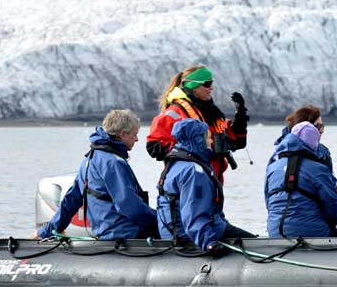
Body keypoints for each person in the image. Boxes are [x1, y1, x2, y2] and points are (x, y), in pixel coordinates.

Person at [32, 110, 157, 240]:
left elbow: (71, 201)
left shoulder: (89, 159)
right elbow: (131, 208)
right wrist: (162, 220)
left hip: (105, 232)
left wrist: (44, 232)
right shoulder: (113, 163)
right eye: (134, 134)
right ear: (123, 134)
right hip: (125, 233)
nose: (137, 139)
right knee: (167, 229)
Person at [156, 119, 255, 253]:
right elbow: (193, 213)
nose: (211, 141)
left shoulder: (176, 162)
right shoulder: (194, 171)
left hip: (173, 231)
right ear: (198, 139)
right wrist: (209, 243)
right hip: (187, 234)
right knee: (255, 243)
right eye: (208, 137)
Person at [146, 65, 248, 183]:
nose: (211, 88)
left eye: (211, 83)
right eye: (207, 84)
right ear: (193, 86)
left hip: (212, 182)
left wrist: (240, 115)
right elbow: (154, 147)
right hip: (189, 182)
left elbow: (237, 142)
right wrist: (193, 150)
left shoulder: (211, 113)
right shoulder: (173, 113)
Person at [265, 121, 337, 238]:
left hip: (275, 231)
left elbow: (268, 203)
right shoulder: (318, 169)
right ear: (313, 144)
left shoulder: (272, 168)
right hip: (312, 232)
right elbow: (333, 209)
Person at [273, 104, 332, 170]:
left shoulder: (323, 153)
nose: (322, 131)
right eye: (318, 126)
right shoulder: (279, 154)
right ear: (304, 128)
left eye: (322, 126)